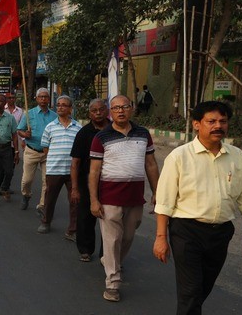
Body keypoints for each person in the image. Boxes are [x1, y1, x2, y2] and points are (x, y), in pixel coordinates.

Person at [153, 101, 242, 315]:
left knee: (201, 291)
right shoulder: (179, 157)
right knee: (191, 292)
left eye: (222, 121)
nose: (218, 126)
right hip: (186, 231)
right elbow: (164, 202)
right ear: (197, 124)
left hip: (220, 233)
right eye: (211, 121)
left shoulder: (237, 157)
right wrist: (161, 237)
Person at [89, 95, 159, 303]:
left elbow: (151, 165)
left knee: (128, 237)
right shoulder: (101, 137)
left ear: (132, 109)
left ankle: (110, 261)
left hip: (135, 197)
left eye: (124, 107)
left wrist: (158, 192)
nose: (120, 111)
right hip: (110, 197)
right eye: (116, 108)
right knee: (112, 240)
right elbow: (94, 171)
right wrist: (94, 199)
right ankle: (113, 282)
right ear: (111, 112)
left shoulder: (143, 134)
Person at [69, 99, 110, 262]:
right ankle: (85, 249)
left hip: (109, 182)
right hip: (86, 181)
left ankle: (107, 254)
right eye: (94, 110)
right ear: (89, 114)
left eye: (101, 109)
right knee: (85, 217)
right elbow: (75, 163)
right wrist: (74, 188)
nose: (98, 113)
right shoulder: (84, 133)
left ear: (106, 111)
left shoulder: (114, 131)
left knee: (110, 219)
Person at [38, 95, 81, 237]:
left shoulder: (78, 127)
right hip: (54, 170)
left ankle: (73, 229)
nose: (60, 107)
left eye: (64, 105)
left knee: (75, 201)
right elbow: (45, 148)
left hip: (72, 172)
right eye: (58, 105)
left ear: (70, 109)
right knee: (50, 198)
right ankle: (46, 222)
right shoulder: (50, 127)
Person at [18, 88, 57, 214]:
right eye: (41, 97)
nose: (43, 99)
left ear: (49, 99)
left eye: (46, 97)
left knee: (47, 181)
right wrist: (25, 134)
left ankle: (42, 206)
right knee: (26, 180)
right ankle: (26, 194)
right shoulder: (29, 114)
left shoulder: (54, 116)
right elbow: (19, 130)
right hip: (31, 150)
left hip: (48, 153)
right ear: (36, 98)